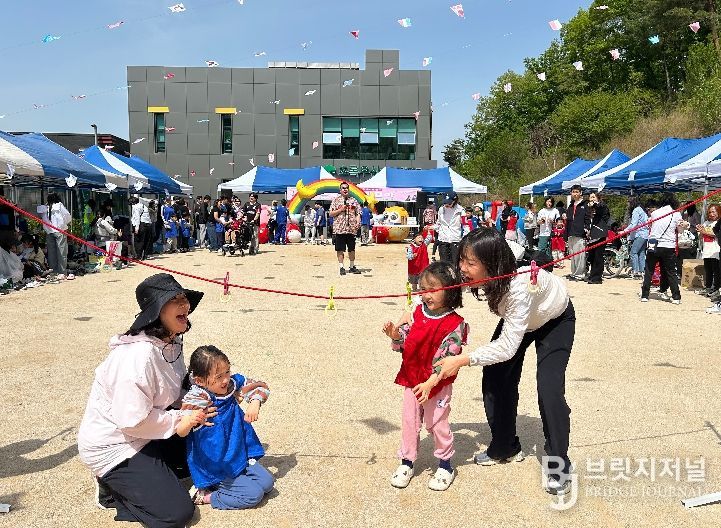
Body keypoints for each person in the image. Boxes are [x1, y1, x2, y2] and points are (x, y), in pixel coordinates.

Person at [434, 228, 575, 495]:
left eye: (470, 263)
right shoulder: (498, 255)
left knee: (549, 389)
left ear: (492, 263)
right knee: (496, 379)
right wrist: (416, 305)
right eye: (462, 259)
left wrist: (463, 359)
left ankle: (560, 465)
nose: (463, 268)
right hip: (519, 319)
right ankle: (505, 447)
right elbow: (440, 283)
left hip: (555, 319)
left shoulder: (518, 288)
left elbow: (508, 347)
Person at [77, 273, 211, 527]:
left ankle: (150, 474)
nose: (185, 305)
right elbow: (131, 421)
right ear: (156, 311)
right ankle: (111, 487)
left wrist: (204, 400)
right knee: (177, 512)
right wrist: (181, 418)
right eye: (175, 300)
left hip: (150, 429)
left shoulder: (171, 341)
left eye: (184, 298)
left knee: (205, 449)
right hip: (116, 445)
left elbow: (176, 389)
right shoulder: (137, 358)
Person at [383, 261, 468, 491]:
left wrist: (432, 382)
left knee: (437, 422)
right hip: (412, 378)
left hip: (436, 383)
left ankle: (445, 464)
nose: (426, 295)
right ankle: (407, 461)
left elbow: (448, 356)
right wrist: (396, 335)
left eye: (433, 289)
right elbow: (405, 340)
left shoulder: (455, 324)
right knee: (409, 420)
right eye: (423, 289)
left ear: (449, 290)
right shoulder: (416, 313)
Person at [180, 345, 274, 509]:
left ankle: (236, 477)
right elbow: (181, 431)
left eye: (227, 372)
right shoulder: (198, 398)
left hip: (237, 453)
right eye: (218, 376)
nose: (225, 379)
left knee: (267, 483)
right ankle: (206, 495)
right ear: (200, 381)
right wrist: (190, 421)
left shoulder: (231, 384)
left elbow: (260, 386)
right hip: (217, 463)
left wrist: (255, 402)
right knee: (253, 495)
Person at [640, 193, 688, 304]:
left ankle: (645, 295)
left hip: (653, 243)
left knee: (649, 270)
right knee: (670, 272)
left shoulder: (655, 213)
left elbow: (650, 226)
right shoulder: (676, 214)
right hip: (668, 245)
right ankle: (676, 297)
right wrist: (685, 225)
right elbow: (680, 230)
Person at [329, 181, 361, 275]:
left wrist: (357, 222)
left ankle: (352, 266)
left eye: (346, 188)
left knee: (352, 249)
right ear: (340, 190)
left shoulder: (353, 201)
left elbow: (358, 213)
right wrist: (340, 209)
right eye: (343, 188)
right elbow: (331, 214)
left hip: (351, 229)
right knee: (340, 249)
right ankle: (341, 267)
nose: (345, 189)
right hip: (340, 229)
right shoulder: (335, 200)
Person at [39, 192, 73, 278]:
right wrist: (63, 224)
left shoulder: (44, 207)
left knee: (51, 253)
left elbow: (41, 217)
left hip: (49, 231)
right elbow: (68, 216)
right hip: (59, 230)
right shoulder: (59, 205)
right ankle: (62, 272)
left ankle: (53, 271)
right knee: (61, 252)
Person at [564, 185, 590, 281]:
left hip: (580, 233)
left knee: (580, 255)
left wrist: (586, 229)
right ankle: (574, 273)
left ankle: (580, 274)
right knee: (573, 254)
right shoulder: (571, 205)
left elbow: (588, 218)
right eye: (573, 192)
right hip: (571, 232)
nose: (575, 194)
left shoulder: (585, 204)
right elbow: (568, 219)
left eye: (576, 192)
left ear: (580, 193)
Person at [586, 192, 610, 285]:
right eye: (590, 197)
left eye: (593, 197)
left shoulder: (602, 206)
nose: (592, 199)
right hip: (592, 235)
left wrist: (595, 204)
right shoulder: (590, 208)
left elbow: (601, 207)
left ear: (598, 198)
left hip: (600, 234)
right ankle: (592, 275)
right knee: (592, 256)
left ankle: (597, 278)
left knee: (598, 257)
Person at [697, 204, 720, 299]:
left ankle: (716, 289)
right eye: (710, 212)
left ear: (718, 212)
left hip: (716, 250)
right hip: (707, 250)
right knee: (708, 270)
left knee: (716, 271)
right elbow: (701, 237)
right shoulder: (706, 222)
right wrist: (700, 231)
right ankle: (708, 287)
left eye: (713, 211)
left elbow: (716, 234)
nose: (711, 214)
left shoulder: (718, 223)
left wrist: (704, 232)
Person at [435, 191, 464, 265]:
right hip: (443, 239)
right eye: (445, 203)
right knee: (444, 263)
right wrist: (433, 227)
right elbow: (439, 223)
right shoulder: (441, 209)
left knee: (455, 263)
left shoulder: (460, 210)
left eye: (449, 203)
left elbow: (465, 226)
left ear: (454, 201)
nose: (446, 205)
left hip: (455, 239)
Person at [626, 197, 649, 280]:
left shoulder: (636, 210)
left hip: (640, 234)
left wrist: (624, 231)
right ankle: (642, 271)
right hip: (645, 234)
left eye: (628, 202)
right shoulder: (642, 210)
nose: (628, 204)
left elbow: (634, 224)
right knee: (641, 253)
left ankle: (636, 271)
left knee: (633, 252)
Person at [131, 196, 154, 260]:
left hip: (141, 224)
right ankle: (145, 255)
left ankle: (138, 256)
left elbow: (137, 217)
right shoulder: (145, 206)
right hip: (148, 224)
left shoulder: (136, 207)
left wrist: (137, 227)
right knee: (147, 240)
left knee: (139, 241)